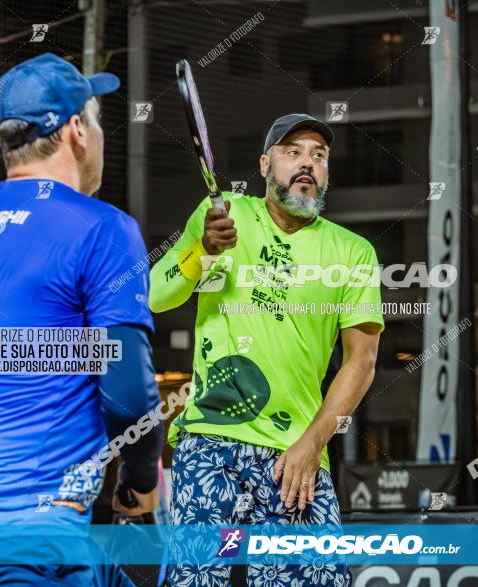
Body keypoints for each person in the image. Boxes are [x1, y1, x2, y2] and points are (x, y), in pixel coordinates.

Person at [0, 53, 162, 586]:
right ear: (76, 132)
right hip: (31, 540)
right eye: (98, 121)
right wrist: (140, 479)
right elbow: (129, 394)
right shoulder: (103, 229)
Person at [150, 113, 384, 586]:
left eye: (318, 156)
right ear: (264, 164)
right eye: (292, 152)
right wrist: (204, 252)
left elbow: (361, 363)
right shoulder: (225, 215)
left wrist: (311, 443)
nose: (307, 164)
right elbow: (155, 295)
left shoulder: (353, 252)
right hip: (210, 439)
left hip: (294, 454)